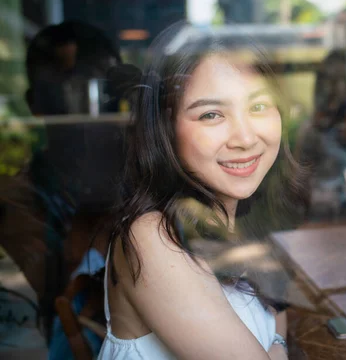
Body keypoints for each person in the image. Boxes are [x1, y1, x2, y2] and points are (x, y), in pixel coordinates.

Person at [97, 22, 307, 359]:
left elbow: (274, 307)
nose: (245, 138)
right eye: (211, 114)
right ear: (166, 129)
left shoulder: (241, 216)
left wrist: (276, 346)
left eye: (258, 106)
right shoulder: (153, 236)